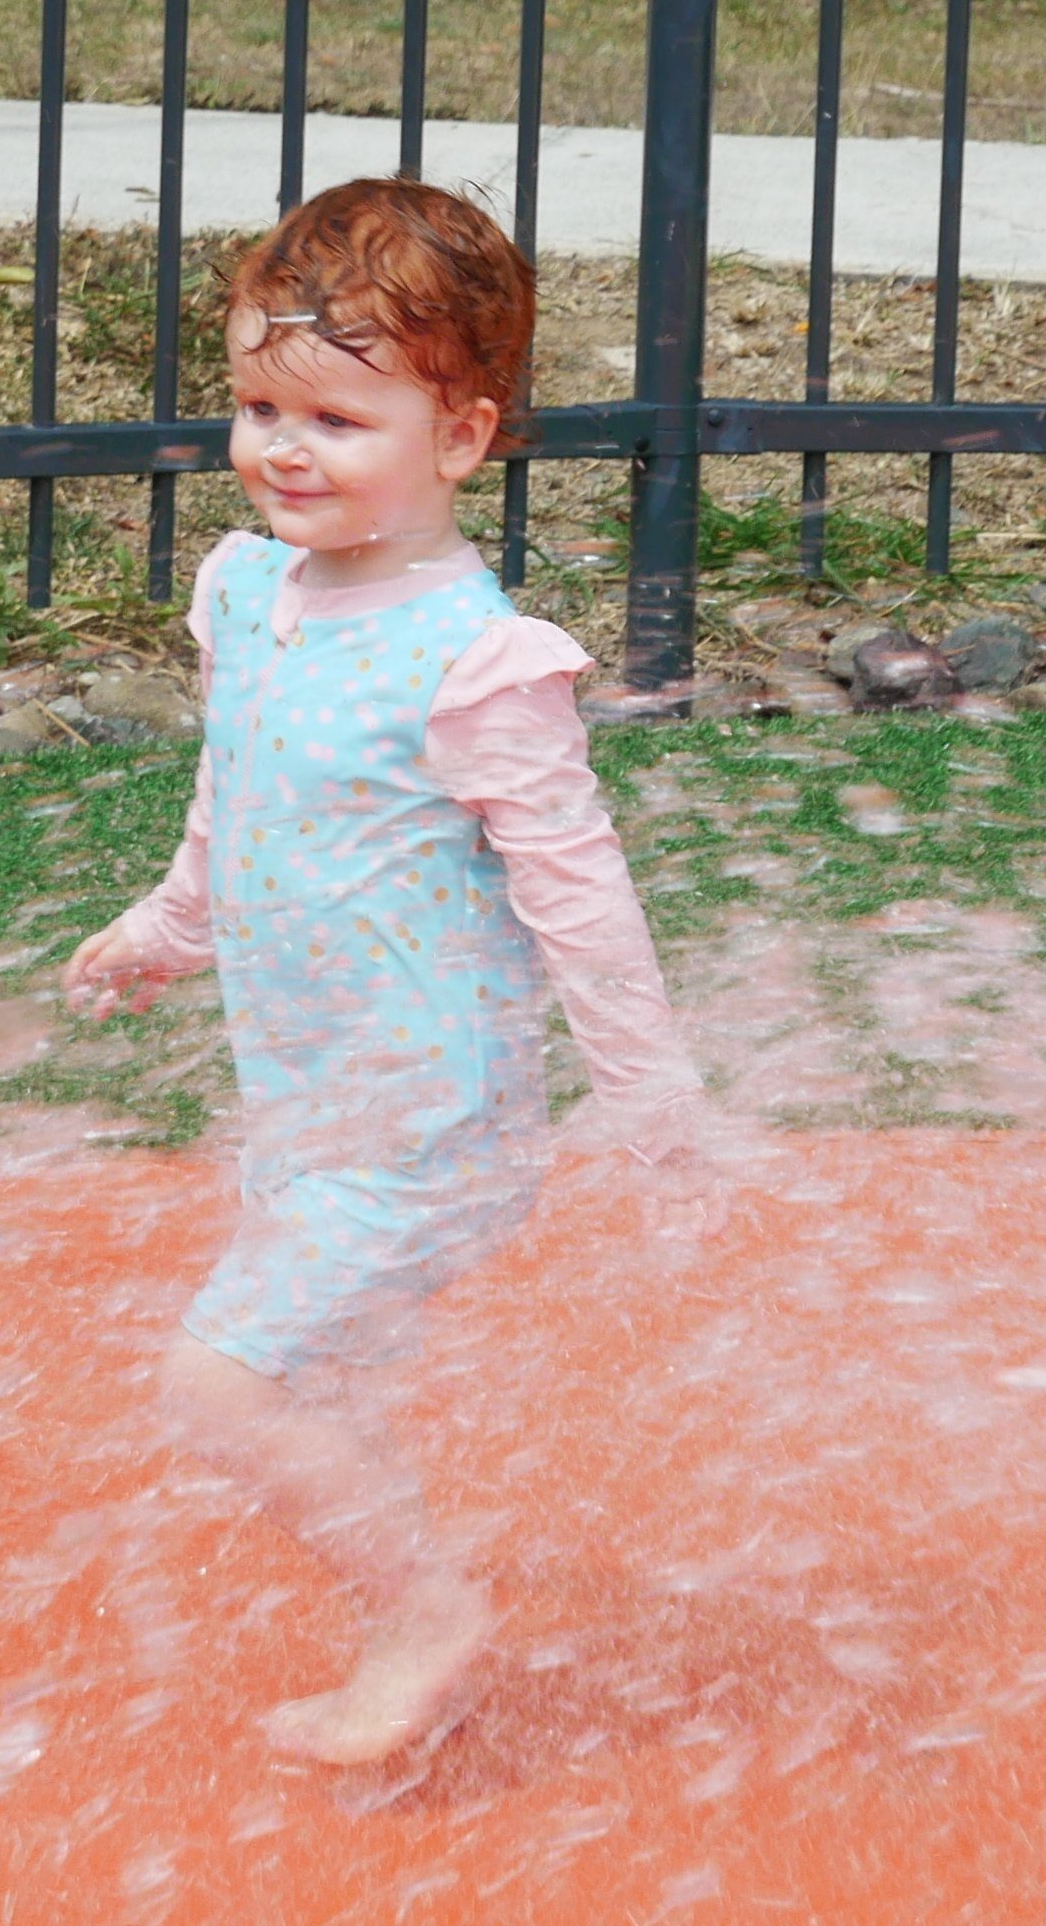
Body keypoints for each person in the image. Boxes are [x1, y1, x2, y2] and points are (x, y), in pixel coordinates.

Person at [63, 175, 705, 1769]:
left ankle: (424, 1619)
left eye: (337, 421)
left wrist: (652, 1100)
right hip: (310, 1102)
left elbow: (583, 896)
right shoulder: (248, 592)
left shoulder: (474, 664)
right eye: (260, 407)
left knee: (220, 1387)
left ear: (461, 438)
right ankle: (418, 1639)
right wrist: (174, 920)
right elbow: (239, 782)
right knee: (313, 1382)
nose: (284, 448)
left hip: (429, 1121)